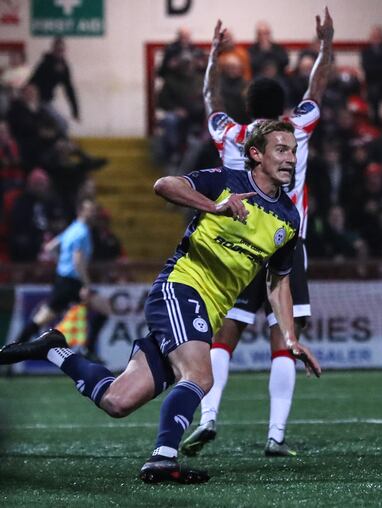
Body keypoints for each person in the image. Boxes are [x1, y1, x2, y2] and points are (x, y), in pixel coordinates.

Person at [0, 120, 321, 484]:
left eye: (294, 150)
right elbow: (164, 185)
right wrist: (213, 208)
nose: (291, 158)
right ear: (256, 154)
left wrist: (291, 338)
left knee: (117, 401)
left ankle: (54, 349)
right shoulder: (226, 181)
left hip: (208, 311)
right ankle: (163, 458)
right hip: (180, 288)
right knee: (200, 375)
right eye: (281, 149)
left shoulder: (289, 219)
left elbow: (277, 282)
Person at [180, 9, 333, 458]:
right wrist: (325, 45)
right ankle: (275, 435)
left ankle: (208, 418)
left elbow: (209, 98)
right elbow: (318, 87)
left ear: (247, 107)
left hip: (236, 243)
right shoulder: (296, 130)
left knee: (224, 336)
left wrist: (212, 55)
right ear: (282, 109)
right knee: (284, 339)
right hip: (285, 240)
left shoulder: (229, 133)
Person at [14, 198, 109, 347]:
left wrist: (63, 263)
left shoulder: (72, 229)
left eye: (94, 210)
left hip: (65, 280)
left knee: (43, 317)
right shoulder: (81, 232)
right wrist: (86, 285)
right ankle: (12, 350)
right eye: (90, 210)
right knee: (43, 318)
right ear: (81, 212)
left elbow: (50, 247)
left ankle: (12, 350)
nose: (94, 213)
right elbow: (78, 261)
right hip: (72, 282)